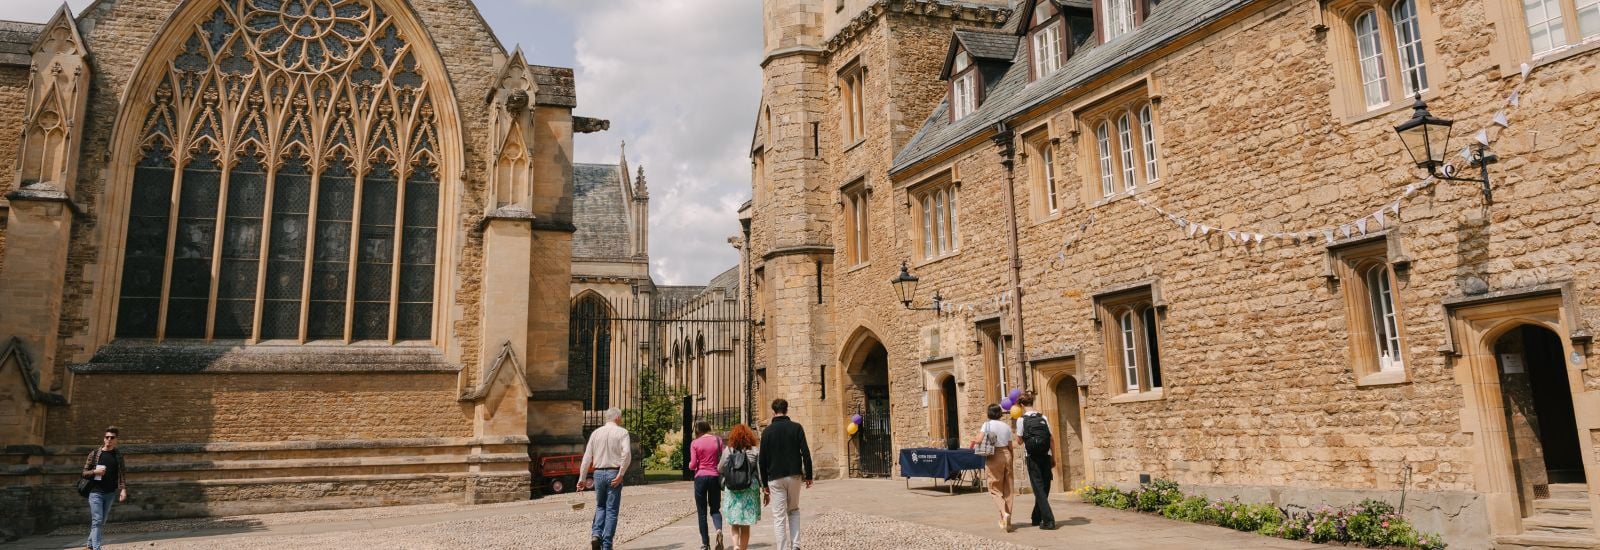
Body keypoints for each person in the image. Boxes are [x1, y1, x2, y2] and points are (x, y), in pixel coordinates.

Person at [758, 398, 812, 550]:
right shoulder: (796, 428)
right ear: (786, 410)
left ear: (773, 411)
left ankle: (782, 548)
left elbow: (762, 460)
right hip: (794, 475)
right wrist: (809, 476)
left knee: (779, 515)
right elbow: (806, 453)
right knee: (793, 510)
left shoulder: (767, 432)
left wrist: (764, 484)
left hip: (775, 477)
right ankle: (795, 546)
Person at [577, 408, 631, 550]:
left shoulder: (595, 433)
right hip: (614, 472)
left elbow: (587, 457)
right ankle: (607, 545)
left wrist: (582, 478)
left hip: (598, 473)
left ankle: (596, 534)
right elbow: (626, 454)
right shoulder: (622, 432)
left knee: (600, 506)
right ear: (618, 418)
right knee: (612, 510)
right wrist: (621, 474)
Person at [1015, 392, 1058, 530]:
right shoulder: (1043, 417)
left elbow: (1019, 441)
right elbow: (1051, 439)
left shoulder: (1021, 420)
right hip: (1046, 455)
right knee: (1045, 487)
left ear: (1021, 405)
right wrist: (1054, 457)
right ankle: (1036, 517)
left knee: (1038, 488)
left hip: (1032, 456)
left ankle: (1048, 520)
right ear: (1032, 403)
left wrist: (1024, 437)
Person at [81, 426, 128, 550]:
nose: (109, 440)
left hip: (110, 493)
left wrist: (123, 489)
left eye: (112, 438)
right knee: (97, 520)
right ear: (104, 438)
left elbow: (122, 474)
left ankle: (90, 545)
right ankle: (97, 548)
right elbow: (84, 473)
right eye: (107, 437)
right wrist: (95, 472)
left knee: (102, 521)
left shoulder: (118, 455)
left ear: (116, 440)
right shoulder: (95, 454)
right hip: (95, 492)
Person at [718, 423, 762, 550]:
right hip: (749, 488)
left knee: (734, 522)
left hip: (732, 489)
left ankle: (736, 545)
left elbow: (720, 468)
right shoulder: (754, 451)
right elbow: (759, 470)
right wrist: (764, 488)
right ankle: (743, 548)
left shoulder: (728, 450)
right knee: (746, 524)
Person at [973, 404, 1015, 532]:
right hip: (1007, 454)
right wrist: (1011, 459)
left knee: (995, 488)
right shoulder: (1006, 426)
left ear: (989, 413)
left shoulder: (987, 425)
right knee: (1008, 488)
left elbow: (979, 439)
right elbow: (1010, 446)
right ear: (1000, 414)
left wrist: (975, 440)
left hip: (994, 455)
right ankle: (1006, 519)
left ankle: (1004, 513)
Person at [687, 420, 725, 550]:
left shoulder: (695, 443)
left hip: (701, 478)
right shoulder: (718, 440)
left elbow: (692, 465)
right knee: (715, 509)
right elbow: (724, 458)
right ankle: (719, 530)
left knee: (702, 512)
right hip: (715, 477)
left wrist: (692, 465)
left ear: (697, 431)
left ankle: (705, 544)